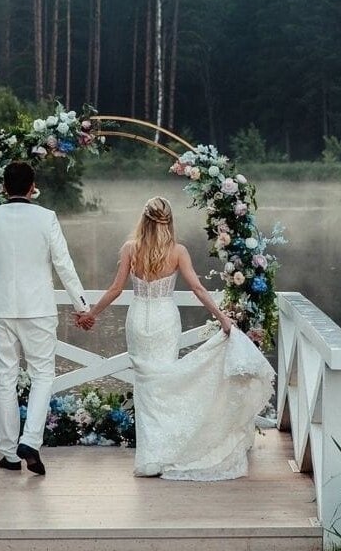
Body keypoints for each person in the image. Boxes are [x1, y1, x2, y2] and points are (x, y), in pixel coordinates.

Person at [81, 196, 275, 479]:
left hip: (138, 320)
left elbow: (114, 289)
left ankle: (149, 459)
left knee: (147, 387)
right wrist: (223, 319)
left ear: (143, 220)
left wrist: (92, 313)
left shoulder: (130, 249)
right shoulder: (177, 251)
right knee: (166, 382)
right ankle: (165, 453)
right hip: (164, 320)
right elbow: (197, 288)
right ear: (169, 222)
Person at [0, 160, 92, 476]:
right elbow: (63, 264)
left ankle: (10, 454)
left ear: (3, 187)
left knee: (6, 378)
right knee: (42, 375)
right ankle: (31, 440)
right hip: (38, 308)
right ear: (32, 185)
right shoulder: (46, 218)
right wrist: (81, 305)